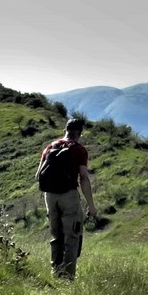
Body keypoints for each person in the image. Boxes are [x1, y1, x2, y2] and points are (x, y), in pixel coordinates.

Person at [37, 118, 99, 279]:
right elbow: (83, 178)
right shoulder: (79, 150)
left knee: (56, 236)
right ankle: (68, 279)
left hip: (49, 197)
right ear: (80, 133)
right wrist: (91, 206)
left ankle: (55, 274)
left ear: (65, 130)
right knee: (72, 237)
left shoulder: (50, 146)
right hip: (69, 196)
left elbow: (38, 175)